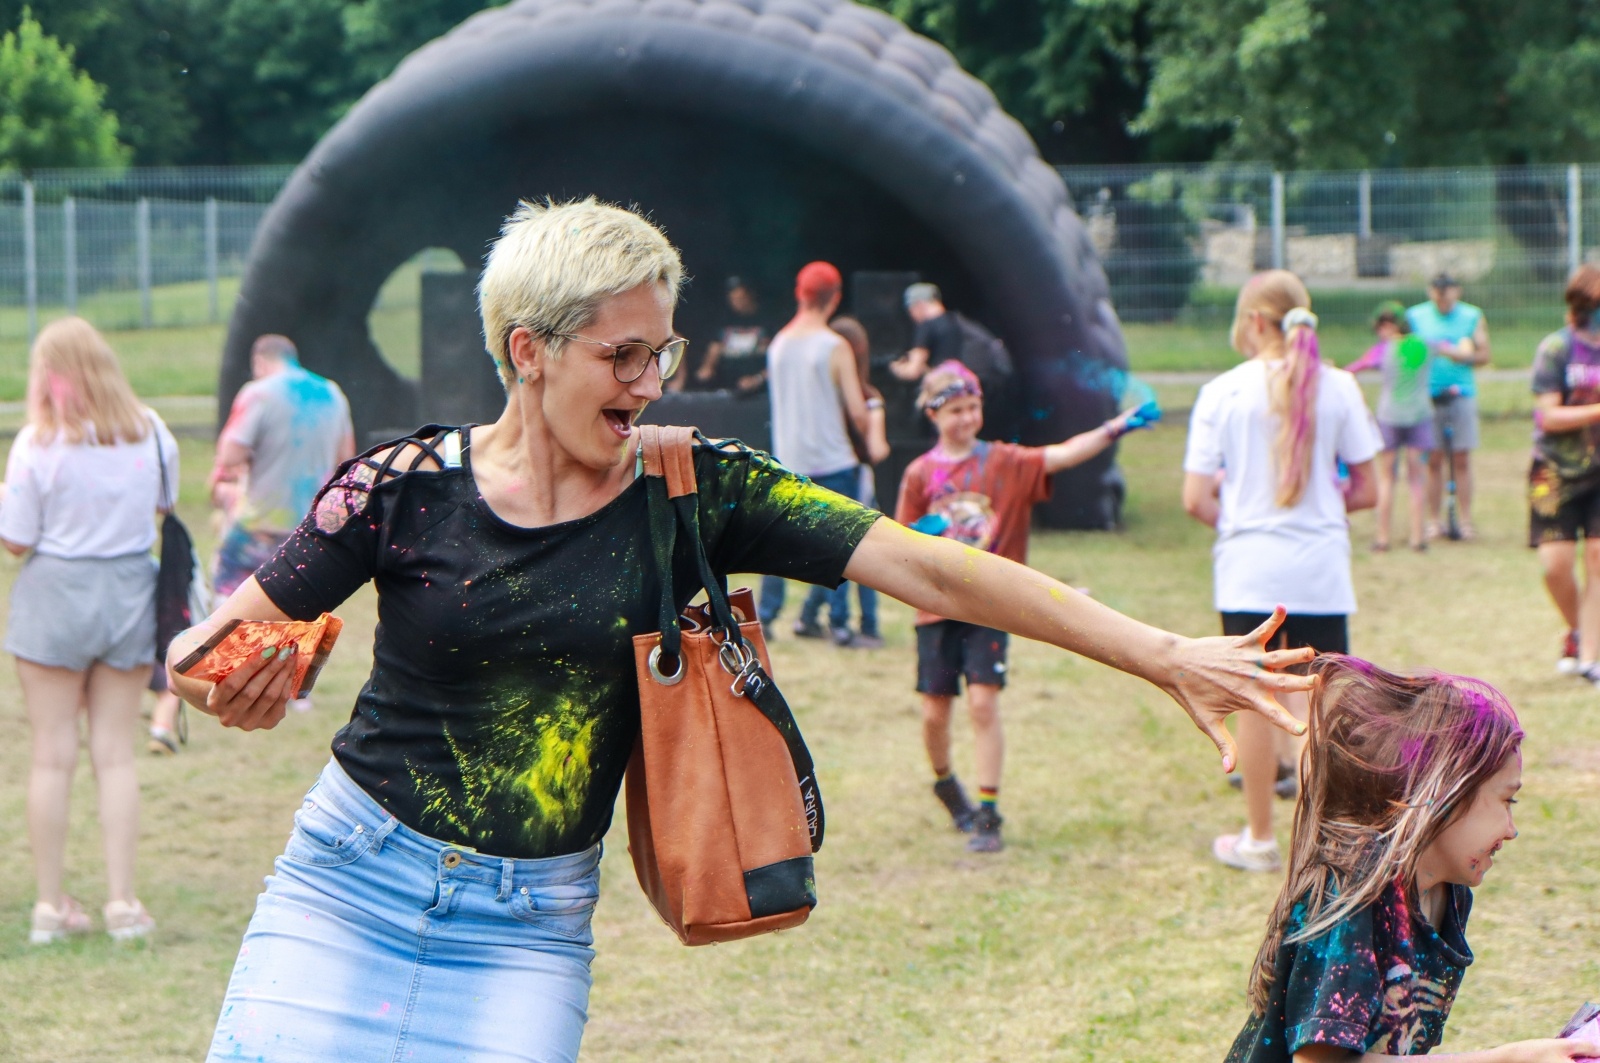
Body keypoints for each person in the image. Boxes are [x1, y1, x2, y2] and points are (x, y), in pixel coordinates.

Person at [167, 198, 1316, 1062]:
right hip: (345, 885)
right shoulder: (402, 486)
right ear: (528, 349)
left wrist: (1165, 651)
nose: (651, 381)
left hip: (525, 930)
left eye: (659, 351)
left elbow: (935, 570)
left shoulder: (695, 490)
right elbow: (205, 652)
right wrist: (233, 681)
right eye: (621, 354)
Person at [1225, 655, 1599, 1063]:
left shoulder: (1449, 891)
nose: (1512, 829)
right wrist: (1505, 1059)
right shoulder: (1354, 896)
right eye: (1506, 800)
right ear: (1444, 798)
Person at [895, 361, 1156, 852]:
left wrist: (1115, 426)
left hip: (992, 606)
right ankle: (947, 784)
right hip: (936, 609)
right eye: (955, 410)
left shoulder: (1004, 463)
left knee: (983, 702)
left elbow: (1058, 456)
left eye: (973, 407)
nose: (967, 418)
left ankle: (989, 812)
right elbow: (894, 545)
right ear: (933, 413)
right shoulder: (919, 474)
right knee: (934, 713)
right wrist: (914, 536)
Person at [1183, 270, 1380, 873]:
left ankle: (1261, 839)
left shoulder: (1223, 391)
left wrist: (1247, 527)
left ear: (1255, 322)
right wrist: (1316, 517)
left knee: (1254, 701)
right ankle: (1330, 847)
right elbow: (1368, 488)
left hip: (1247, 569)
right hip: (1319, 569)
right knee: (1320, 706)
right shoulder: (1341, 387)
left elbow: (1196, 498)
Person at [1, 317, 177, 944]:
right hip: (127, 593)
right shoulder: (152, 432)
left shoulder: (36, 444)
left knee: (52, 756)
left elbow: (15, 539)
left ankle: (51, 907)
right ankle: (123, 904)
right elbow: (162, 507)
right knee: (115, 755)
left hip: (54, 597)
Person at [177, 333, 352, 729]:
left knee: (230, 596)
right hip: (309, 526)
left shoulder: (258, 393)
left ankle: (226, 678)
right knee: (298, 610)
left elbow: (230, 454)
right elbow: (346, 458)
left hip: (258, 521)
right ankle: (294, 690)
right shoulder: (333, 394)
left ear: (260, 362)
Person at [756, 261, 877, 646]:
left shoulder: (777, 345)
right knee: (840, 547)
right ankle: (840, 625)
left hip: (788, 460)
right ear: (835, 298)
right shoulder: (834, 346)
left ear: (799, 293)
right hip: (835, 460)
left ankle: (763, 618)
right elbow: (858, 411)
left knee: (774, 545)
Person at [1528, 265, 1600, 681]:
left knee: (1596, 558)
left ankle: (1590, 656)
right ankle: (1579, 630)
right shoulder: (1556, 349)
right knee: (1555, 566)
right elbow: (1549, 415)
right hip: (1555, 471)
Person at [1407, 272, 1490, 541]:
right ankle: (1434, 520)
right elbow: (1404, 352)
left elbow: (1484, 355)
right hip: (1428, 395)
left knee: (1462, 458)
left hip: (1461, 393)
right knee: (1434, 460)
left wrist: (1460, 355)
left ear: (1457, 291)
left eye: (1448, 290)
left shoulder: (1472, 316)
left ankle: (1464, 520)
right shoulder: (1416, 317)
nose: (1442, 296)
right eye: (1437, 290)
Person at [1345, 302, 1434, 552]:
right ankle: (1418, 538)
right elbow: (1456, 351)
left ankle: (1382, 537)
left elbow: (1354, 368)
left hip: (1390, 417)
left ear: (1388, 326)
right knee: (1417, 478)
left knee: (1387, 476)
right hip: (1419, 415)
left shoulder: (1383, 349)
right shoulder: (1423, 344)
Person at [830, 314, 891, 648]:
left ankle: (825, 619)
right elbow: (878, 449)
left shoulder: (828, 397)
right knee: (865, 554)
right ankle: (869, 625)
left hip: (827, 477)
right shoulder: (868, 396)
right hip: (857, 478)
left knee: (833, 551)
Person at [681, 276, 769, 396]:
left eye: (741, 298)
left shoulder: (766, 322)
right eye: (733, 299)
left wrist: (757, 379)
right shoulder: (725, 320)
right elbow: (715, 347)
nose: (737, 303)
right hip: (728, 385)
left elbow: (774, 360)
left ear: (750, 295)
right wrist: (708, 366)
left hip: (757, 385)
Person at [890, 282, 963, 383]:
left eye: (910, 310)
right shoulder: (956, 323)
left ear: (919, 304)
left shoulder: (926, 326)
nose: (911, 316)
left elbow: (912, 372)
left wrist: (896, 368)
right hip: (961, 381)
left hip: (941, 386)